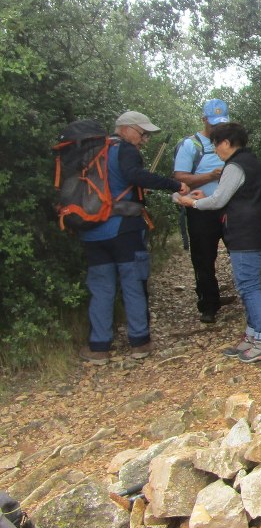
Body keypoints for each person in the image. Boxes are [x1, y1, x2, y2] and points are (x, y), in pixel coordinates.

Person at [79, 111, 188, 365]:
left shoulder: (93, 152)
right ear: (126, 129)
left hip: (92, 230)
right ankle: (140, 342)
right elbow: (134, 175)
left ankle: (99, 348)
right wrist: (175, 185)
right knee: (133, 283)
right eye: (142, 133)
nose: (144, 140)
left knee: (101, 288)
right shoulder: (125, 149)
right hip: (124, 229)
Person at [175, 122, 261, 363]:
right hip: (256, 231)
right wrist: (207, 196)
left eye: (216, 144)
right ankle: (252, 337)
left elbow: (220, 200)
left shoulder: (235, 166)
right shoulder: (253, 162)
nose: (215, 149)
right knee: (246, 285)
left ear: (227, 143)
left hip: (246, 234)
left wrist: (193, 203)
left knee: (249, 287)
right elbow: (236, 196)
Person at [173, 99, 231, 324]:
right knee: (204, 258)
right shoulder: (190, 145)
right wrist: (210, 176)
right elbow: (179, 177)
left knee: (239, 251)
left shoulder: (230, 142)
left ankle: (246, 296)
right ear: (204, 120)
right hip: (200, 209)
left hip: (227, 207)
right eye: (213, 123)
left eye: (222, 122)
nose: (217, 127)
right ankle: (208, 304)